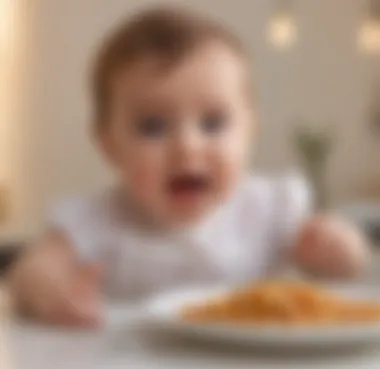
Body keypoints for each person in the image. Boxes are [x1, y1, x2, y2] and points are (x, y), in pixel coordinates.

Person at [9, 6, 369, 328]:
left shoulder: (270, 209)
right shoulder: (98, 219)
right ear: (109, 144)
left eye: (212, 123)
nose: (187, 146)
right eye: (153, 126)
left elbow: (347, 266)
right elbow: (30, 271)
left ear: (250, 131)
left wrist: (340, 249)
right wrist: (46, 288)